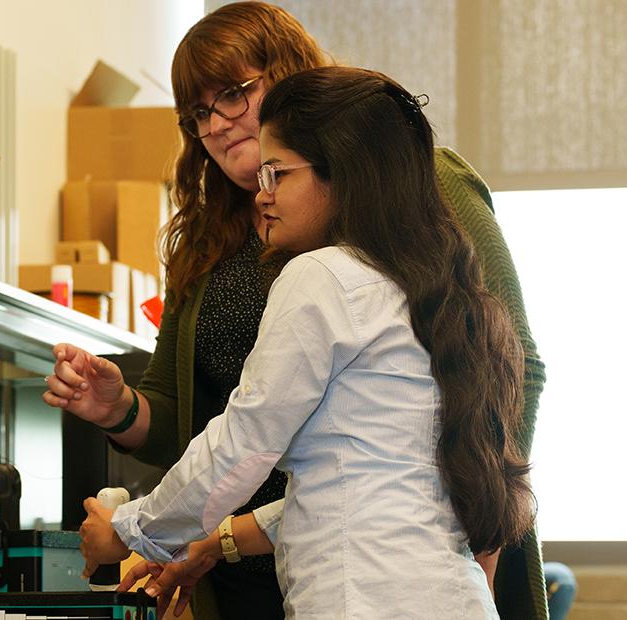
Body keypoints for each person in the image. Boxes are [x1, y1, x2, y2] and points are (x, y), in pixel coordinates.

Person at [44, 3, 548, 617]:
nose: (263, 191)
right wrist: (213, 540)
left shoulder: (323, 269)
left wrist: (127, 528)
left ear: (341, 169)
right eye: (199, 113)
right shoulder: (375, 273)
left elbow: (245, 440)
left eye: (233, 95)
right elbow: (350, 477)